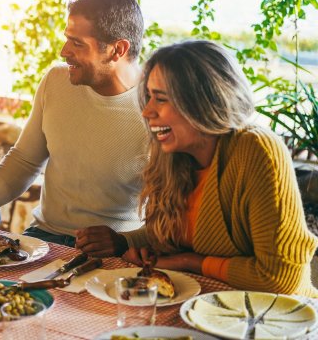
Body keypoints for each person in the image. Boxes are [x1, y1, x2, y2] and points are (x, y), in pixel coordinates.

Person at [0, 0, 148, 253]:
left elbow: (172, 213)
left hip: (112, 252)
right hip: (43, 236)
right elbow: (25, 159)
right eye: (67, 39)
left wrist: (126, 243)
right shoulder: (56, 81)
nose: (64, 51)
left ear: (117, 49)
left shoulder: (155, 107)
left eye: (77, 43)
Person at [121, 40, 318, 296]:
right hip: (203, 307)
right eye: (149, 97)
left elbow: (280, 278)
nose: (147, 112)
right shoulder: (172, 157)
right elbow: (178, 231)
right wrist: (124, 242)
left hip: (277, 318)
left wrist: (188, 261)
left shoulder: (257, 149)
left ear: (203, 101)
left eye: (160, 99)